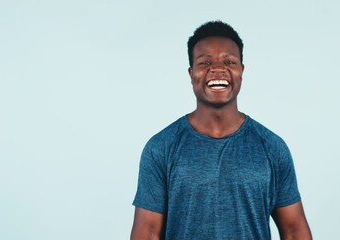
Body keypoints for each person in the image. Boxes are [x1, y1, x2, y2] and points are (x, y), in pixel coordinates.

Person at [130, 20, 312, 240]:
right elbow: (147, 232)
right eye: (205, 62)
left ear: (241, 71)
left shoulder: (272, 147)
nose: (217, 69)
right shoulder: (161, 148)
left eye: (230, 61)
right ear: (191, 73)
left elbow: (294, 230)